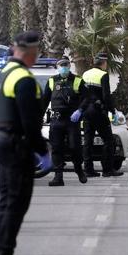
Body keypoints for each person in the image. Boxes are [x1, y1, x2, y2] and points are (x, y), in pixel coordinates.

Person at [0, 31, 51, 255]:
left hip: (2, 141)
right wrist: (43, 149)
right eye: (36, 52)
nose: (37, 56)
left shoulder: (3, 74)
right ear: (30, 52)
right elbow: (30, 123)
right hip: (17, 145)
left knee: (6, 202)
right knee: (15, 204)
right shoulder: (24, 79)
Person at [42, 57, 91, 186]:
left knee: (75, 147)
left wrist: (80, 110)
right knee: (57, 148)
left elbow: (87, 98)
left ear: (70, 66)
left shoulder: (78, 80)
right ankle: (58, 177)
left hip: (71, 119)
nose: (64, 67)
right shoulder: (52, 81)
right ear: (57, 67)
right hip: (57, 119)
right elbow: (44, 100)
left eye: (66, 65)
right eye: (61, 65)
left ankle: (79, 170)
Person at [81, 53, 124, 178]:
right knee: (108, 140)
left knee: (88, 141)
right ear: (104, 63)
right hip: (99, 112)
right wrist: (112, 110)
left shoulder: (85, 74)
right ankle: (107, 170)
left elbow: (82, 94)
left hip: (86, 111)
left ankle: (88, 170)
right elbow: (106, 96)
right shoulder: (103, 75)